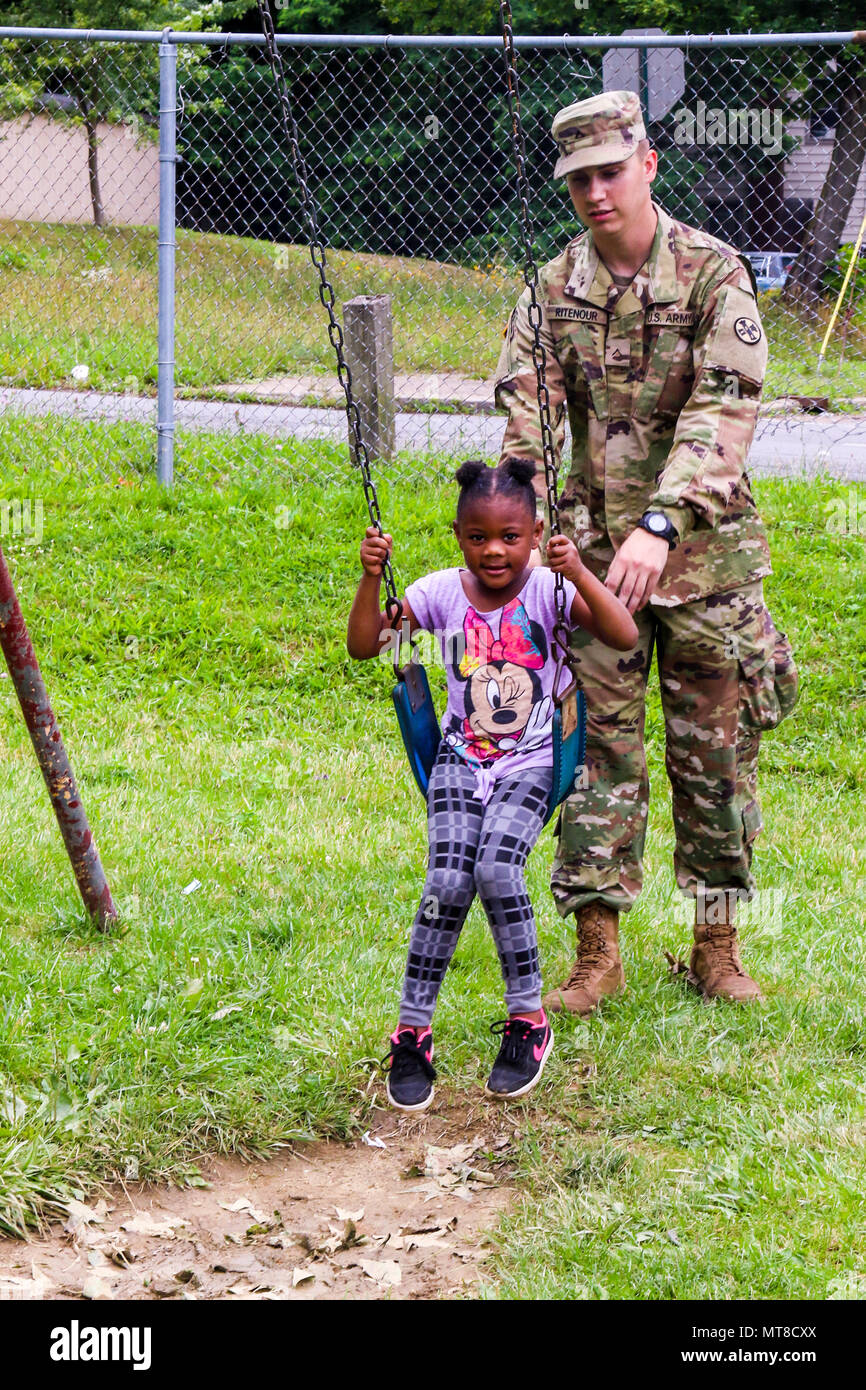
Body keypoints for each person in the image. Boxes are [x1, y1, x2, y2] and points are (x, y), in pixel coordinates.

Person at [493, 90, 799, 1014]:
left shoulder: (714, 273)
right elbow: (529, 424)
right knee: (595, 755)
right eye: (578, 178)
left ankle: (717, 945)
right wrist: (529, 538)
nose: (594, 192)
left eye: (609, 172)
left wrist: (661, 524)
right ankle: (598, 952)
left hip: (702, 562)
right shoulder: (550, 291)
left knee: (717, 756)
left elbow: (725, 404)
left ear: (648, 163)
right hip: (589, 568)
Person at [347, 457, 637, 1111]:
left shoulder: (551, 593)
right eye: (478, 537)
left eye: (510, 536)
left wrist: (580, 572)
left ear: (536, 533)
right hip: (459, 759)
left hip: (534, 761)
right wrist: (370, 579)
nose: (494, 550)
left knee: (498, 871)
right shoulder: (439, 594)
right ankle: (413, 1031)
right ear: (459, 537)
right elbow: (367, 645)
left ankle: (527, 1021)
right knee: (447, 881)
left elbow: (619, 634)